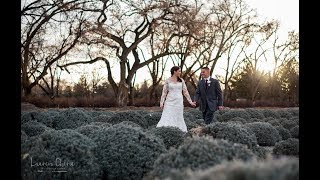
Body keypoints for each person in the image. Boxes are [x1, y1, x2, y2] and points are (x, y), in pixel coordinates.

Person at [156, 66, 196, 132]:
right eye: (179, 71)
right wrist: (161, 103)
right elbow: (164, 93)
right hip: (169, 102)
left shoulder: (181, 80)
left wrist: (190, 102)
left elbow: (185, 92)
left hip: (179, 102)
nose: (180, 72)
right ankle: (165, 131)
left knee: (178, 117)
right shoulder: (168, 80)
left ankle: (179, 132)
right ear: (174, 71)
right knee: (167, 116)